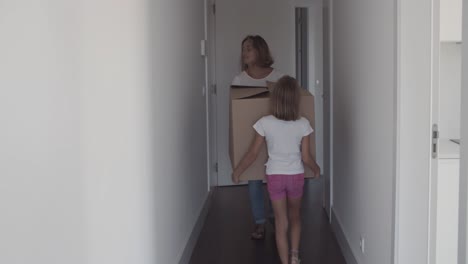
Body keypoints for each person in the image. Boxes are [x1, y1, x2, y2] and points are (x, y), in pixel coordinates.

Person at [232, 76, 321, 264]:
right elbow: (305, 157)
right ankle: (295, 255)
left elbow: (252, 154)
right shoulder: (303, 123)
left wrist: (237, 171)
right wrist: (316, 168)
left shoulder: (265, 122)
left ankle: (285, 262)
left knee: (281, 223)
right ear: (296, 99)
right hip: (296, 176)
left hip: (275, 177)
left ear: (275, 98)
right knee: (295, 217)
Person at [231, 35, 284, 240]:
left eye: (249, 48)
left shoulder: (279, 77)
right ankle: (259, 222)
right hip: (252, 136)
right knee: (253, 179)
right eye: (243, 49)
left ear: (260, 51)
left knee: (274, 177)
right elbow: (237, 114)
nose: (245, 53)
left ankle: (274, 216)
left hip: (276, 138)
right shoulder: (239, 80)